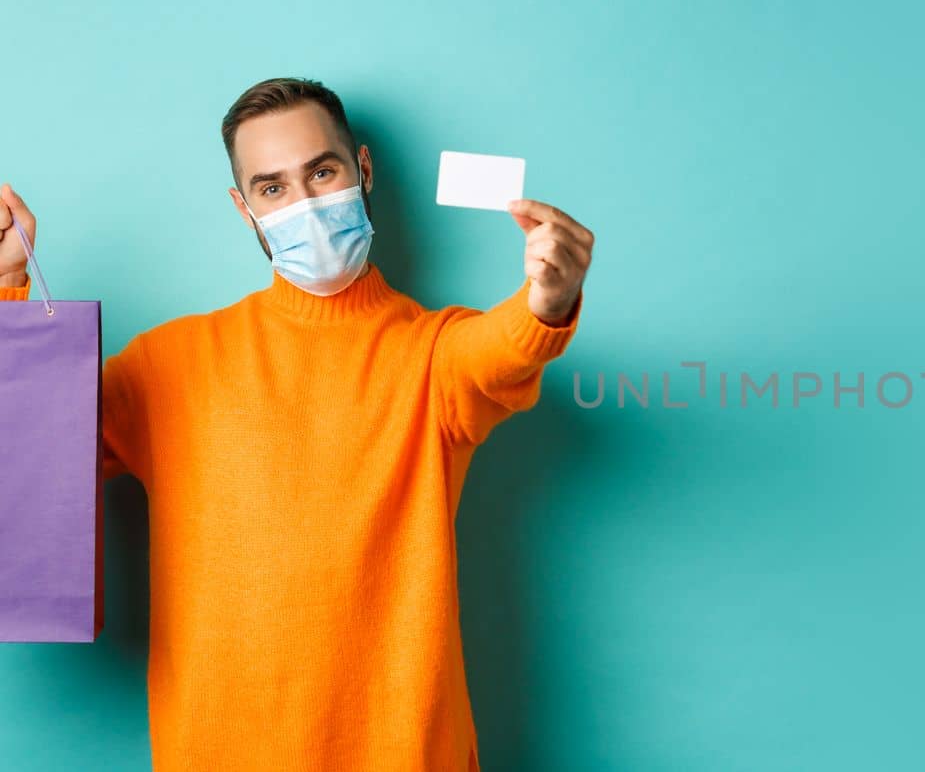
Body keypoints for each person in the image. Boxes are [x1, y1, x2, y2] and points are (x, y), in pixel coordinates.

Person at [0, 76, 594, 771]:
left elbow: (501, 352)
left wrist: (548, 299)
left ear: (362, 170)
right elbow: (30, 450)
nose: (305, 204)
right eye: (273, 187)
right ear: (243, 207)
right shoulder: (169, 363)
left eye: (322, 171)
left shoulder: (434, 353)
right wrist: (9, 284)